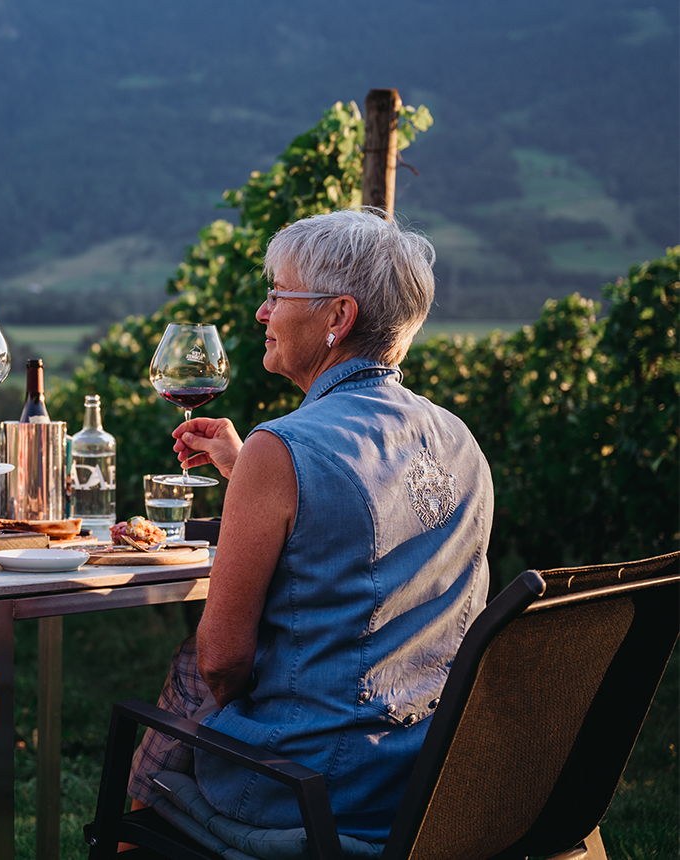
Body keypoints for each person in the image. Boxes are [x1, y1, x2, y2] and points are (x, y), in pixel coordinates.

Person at [129, 209, 493, 845]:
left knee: (192, 668)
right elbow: (364, 534)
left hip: (309, 791)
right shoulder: (459, 440)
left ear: (337, 317)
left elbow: (224, 662)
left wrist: (262, 466)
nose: (262, 313)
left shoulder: (285, 448)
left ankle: (130, 839)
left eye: (277, 293)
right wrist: (250, 471)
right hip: (430, 783)